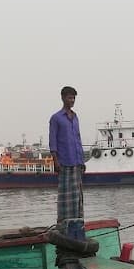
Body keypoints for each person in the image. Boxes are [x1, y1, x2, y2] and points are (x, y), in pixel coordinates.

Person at [48, 85, 86, 240]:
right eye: (69, 97)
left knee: (77, 197)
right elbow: (53, 141)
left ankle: (77, 223)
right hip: (64, 161)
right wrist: (55, 161)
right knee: (65, 197)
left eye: (74, 98)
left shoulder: (75, 117)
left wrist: (82, 160)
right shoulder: (56, 118)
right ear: (63, 98)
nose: (72, 100)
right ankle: (64, 225)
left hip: (76, 161)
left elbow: (78, 139)